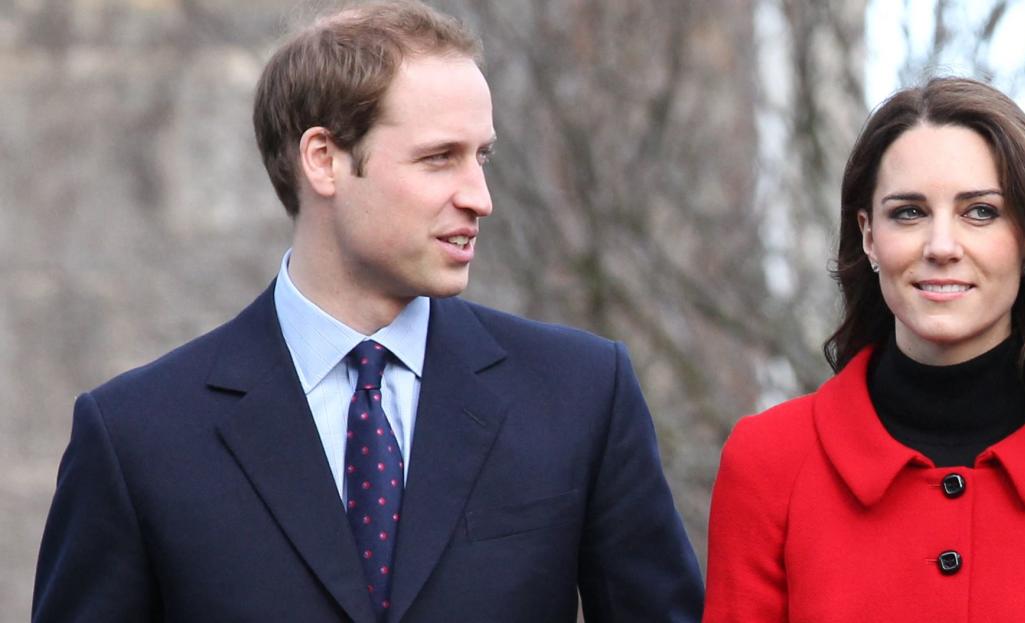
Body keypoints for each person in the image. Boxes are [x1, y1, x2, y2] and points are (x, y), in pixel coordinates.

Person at [33, 2, 703, 621]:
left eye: (483, 156)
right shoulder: (136, 437)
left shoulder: (581, 392)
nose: (481, 197)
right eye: (440, 158)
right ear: (323, 159)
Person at [703, 77, 1025, 622]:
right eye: (909, 213)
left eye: (980, 212)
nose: (942, 246)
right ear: (869, 235)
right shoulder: (767, 462)